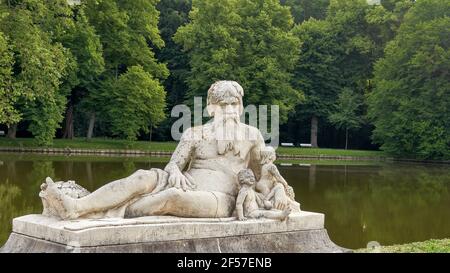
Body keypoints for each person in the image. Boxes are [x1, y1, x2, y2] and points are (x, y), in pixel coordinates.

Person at [39, 80, 292, 220]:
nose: (229, 111)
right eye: (222, 105)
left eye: (234, 105)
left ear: (240, 107)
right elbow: (173, 164)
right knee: (142, 176)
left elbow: (263, 178)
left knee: (173, 198)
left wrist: (280, 188)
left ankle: (103, 210)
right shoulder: (195, 133)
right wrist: (175, 172)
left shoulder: (252, 136)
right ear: (211, 108)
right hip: (186, 182)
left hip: (220, 198)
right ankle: (77, 207)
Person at [256, 146, 300, 211]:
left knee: (268, 197)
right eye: (274, 153)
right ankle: (266, 207)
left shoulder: (264, 165)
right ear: (270, 156)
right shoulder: (271, 166)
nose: (275, 155)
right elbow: (278, 177)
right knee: (267, 198)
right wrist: (285, 183)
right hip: (265, 185)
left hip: (261, 184)